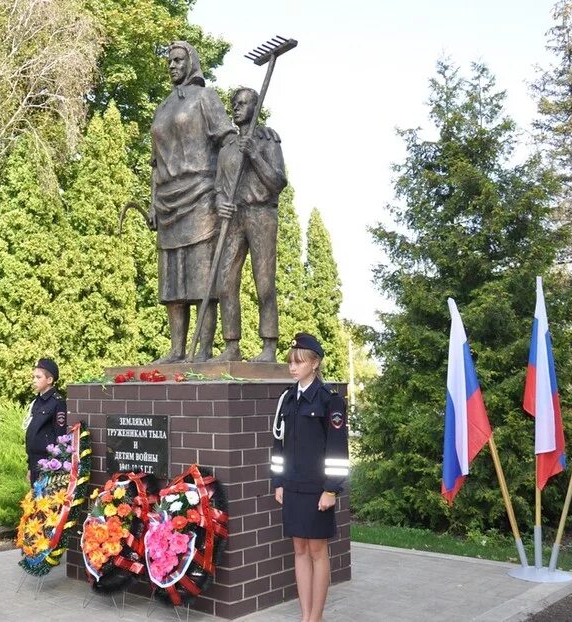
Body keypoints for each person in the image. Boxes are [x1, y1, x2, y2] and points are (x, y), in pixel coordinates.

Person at [148, 41, 236, 362]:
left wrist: (226, 189)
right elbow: (155, 163)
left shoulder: (205, 98)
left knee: (202, 277)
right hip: (168, 201)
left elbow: (228, 140)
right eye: (169, 61)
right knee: (172, 279)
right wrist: (152, 202)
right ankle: (176, 350)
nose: (172, 65)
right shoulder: (162, 106)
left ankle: (204, 350)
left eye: (178, 60)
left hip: (201, 195)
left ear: (191, 62)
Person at [270, 333, 350, 622]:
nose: (293, 367)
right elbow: (278, 447)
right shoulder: (287, 399)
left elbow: (338, 451)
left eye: (299, 362)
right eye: (291, 361)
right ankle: (306, 615)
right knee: (299, 549)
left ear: (315, 364)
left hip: (317, 490)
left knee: (317, 551)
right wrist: (278, 482)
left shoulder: (330, 401)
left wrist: (331, 490)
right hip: (291, 487)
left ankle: (316, 617)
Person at [213, 87, 287, 362]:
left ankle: (269, 345)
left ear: (256, 108)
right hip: (234, 217)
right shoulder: (227, 149)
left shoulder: (268, 141)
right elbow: (218, 187)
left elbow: (278, 183)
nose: (238, 107)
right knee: (225, 281)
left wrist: (255, 154)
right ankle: (232, 345)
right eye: (235, 103)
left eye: (244, 103)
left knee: (264, 281)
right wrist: (220, 202)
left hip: (262, 214)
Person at [23, 358, 67, 484]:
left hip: (47, 465)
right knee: (34, 501)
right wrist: (30, 467)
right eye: (34, 377)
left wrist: (52, 469)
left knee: (44, 502)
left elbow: (60, 437)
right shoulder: (37, 401)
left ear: (49, 380)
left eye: (38, 377)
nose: (34, 380)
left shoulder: (57, 402)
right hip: (34, 462)